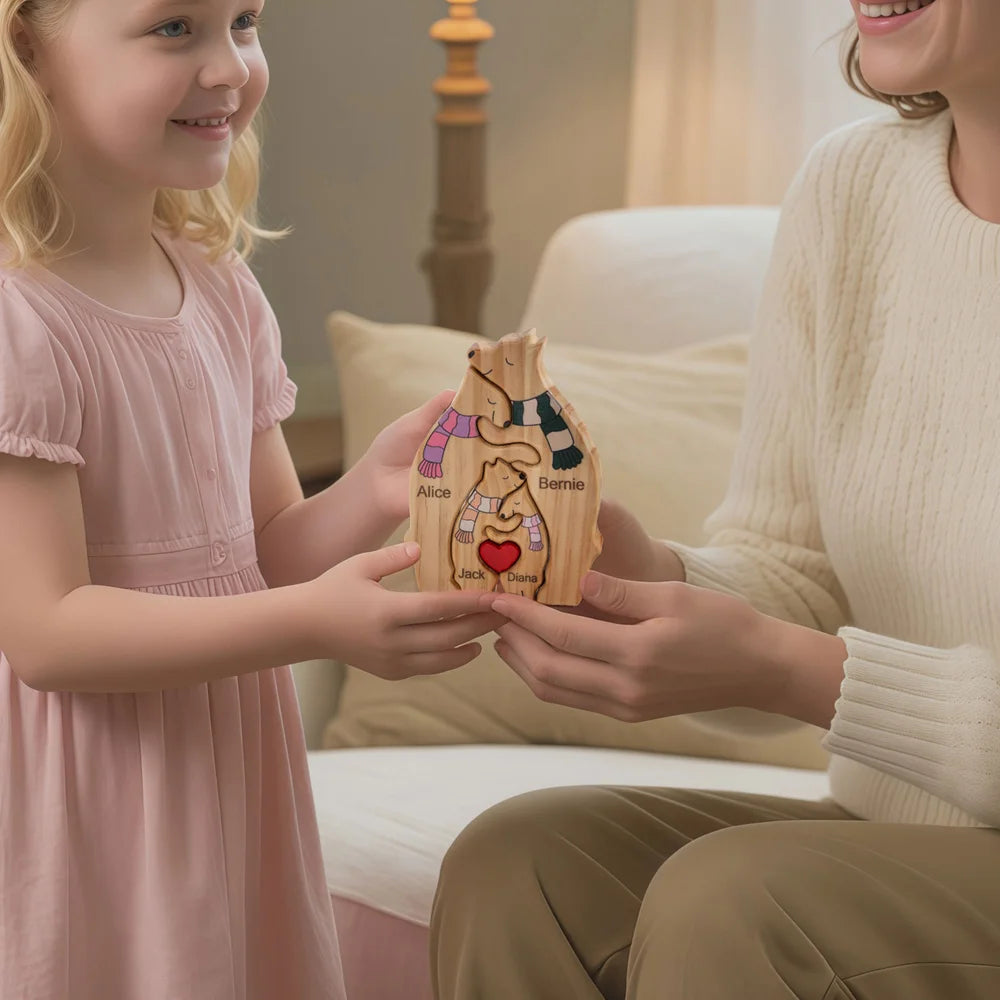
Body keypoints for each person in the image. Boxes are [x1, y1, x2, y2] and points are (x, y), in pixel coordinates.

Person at [431, 1, 1000, 997]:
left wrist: (792, 673)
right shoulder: (852, 188)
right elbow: (796, 570)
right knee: (518, 863)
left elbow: (798, 656)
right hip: (896, 836)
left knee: (737, 897)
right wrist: (643, 580)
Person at [0, 1, 501, 997]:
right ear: (26, 53)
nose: (229, 67)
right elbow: (48, 632)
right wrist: (318, 621)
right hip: (93, 788)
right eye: (173, 29)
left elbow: (266, 552)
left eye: (243, 21)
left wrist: (374, 487)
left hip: (229, 768)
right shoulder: (20, 321)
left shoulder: (221, 291)